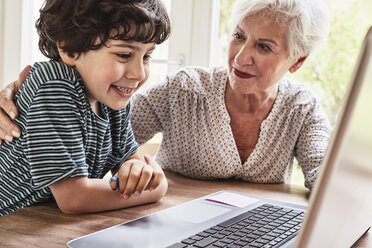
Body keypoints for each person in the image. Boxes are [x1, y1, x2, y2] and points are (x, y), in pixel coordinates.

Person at [0, 0, 330, 192]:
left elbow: (328, 181)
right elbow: (95, 120)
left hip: (251, 230)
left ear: (297, 61)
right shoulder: (185, 90)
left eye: (263, 46)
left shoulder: (302, 109)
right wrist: (25, 104)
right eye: (238, 37)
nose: (242, 56)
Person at [0, 0, 171, 216]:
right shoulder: (55, 85)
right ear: (69, 49)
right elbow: (74, 198)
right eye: (124, 55)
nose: (139, 74)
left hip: (42, 224)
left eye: (146, 56)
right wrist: (156, 189)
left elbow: (132, 162)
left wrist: (137, 172)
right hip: (9, 226)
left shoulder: (111, 98)